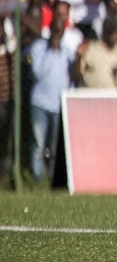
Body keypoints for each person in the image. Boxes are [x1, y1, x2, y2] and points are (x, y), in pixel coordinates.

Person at [28, 15, 73, 184]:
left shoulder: (67, 52)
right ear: (50, 29)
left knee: (55, 146)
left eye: (61, 31)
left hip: (59, 105)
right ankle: (37, 180)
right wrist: (51, 50)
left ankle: (54, 179)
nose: (57, 33)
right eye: (55, 30)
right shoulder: (39, 47)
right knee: (38, 144)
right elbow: (37, 73)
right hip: (40, 103)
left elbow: (71, 79)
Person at [74, 17, 117, 89]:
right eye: (110, 33)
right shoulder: (90, 48)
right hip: (90, 94)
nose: (114, 36)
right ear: (104, 32)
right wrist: (79, 57)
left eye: (116, 33)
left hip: (111, 94)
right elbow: (77, 75)